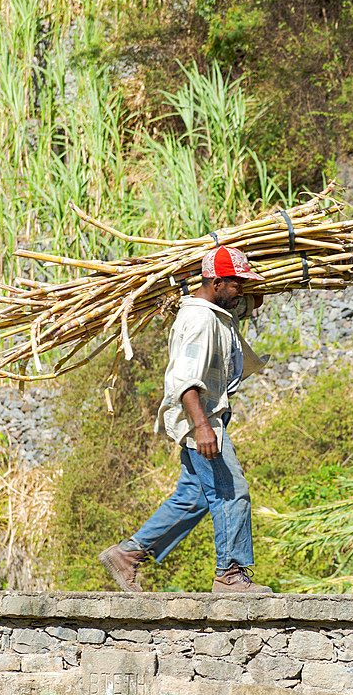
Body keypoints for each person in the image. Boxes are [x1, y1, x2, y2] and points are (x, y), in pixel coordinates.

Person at [99, 245, 273, 594]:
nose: (241, 290)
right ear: (217, 282)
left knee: (193, 497)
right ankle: (229, 574)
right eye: (236, 284)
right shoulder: (198, 320)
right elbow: (184, 379)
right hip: (202, 421)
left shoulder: (216, 308)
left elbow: (253, 303)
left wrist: (257, 287)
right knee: (232, 491)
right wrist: (203, 427)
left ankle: (127, 553)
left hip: (204, 420)